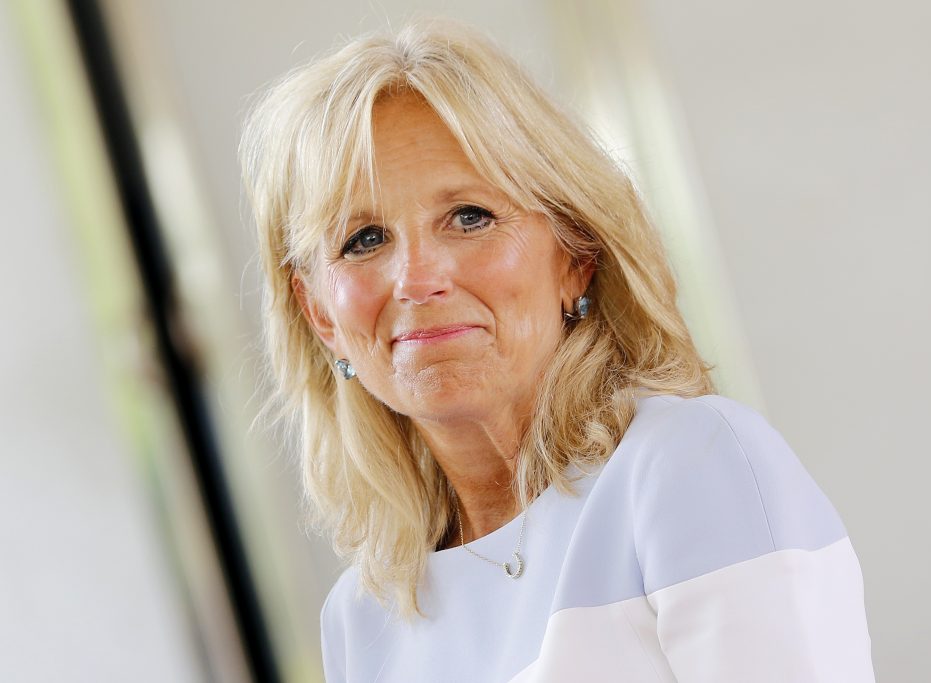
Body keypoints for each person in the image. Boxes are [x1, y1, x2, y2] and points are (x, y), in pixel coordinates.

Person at [239, 18, 875, 683]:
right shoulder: (361, 620)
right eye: (364, 239)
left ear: (575, 254)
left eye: (469, 216)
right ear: (320, 313)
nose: (416, 278)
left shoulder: (690, 466)